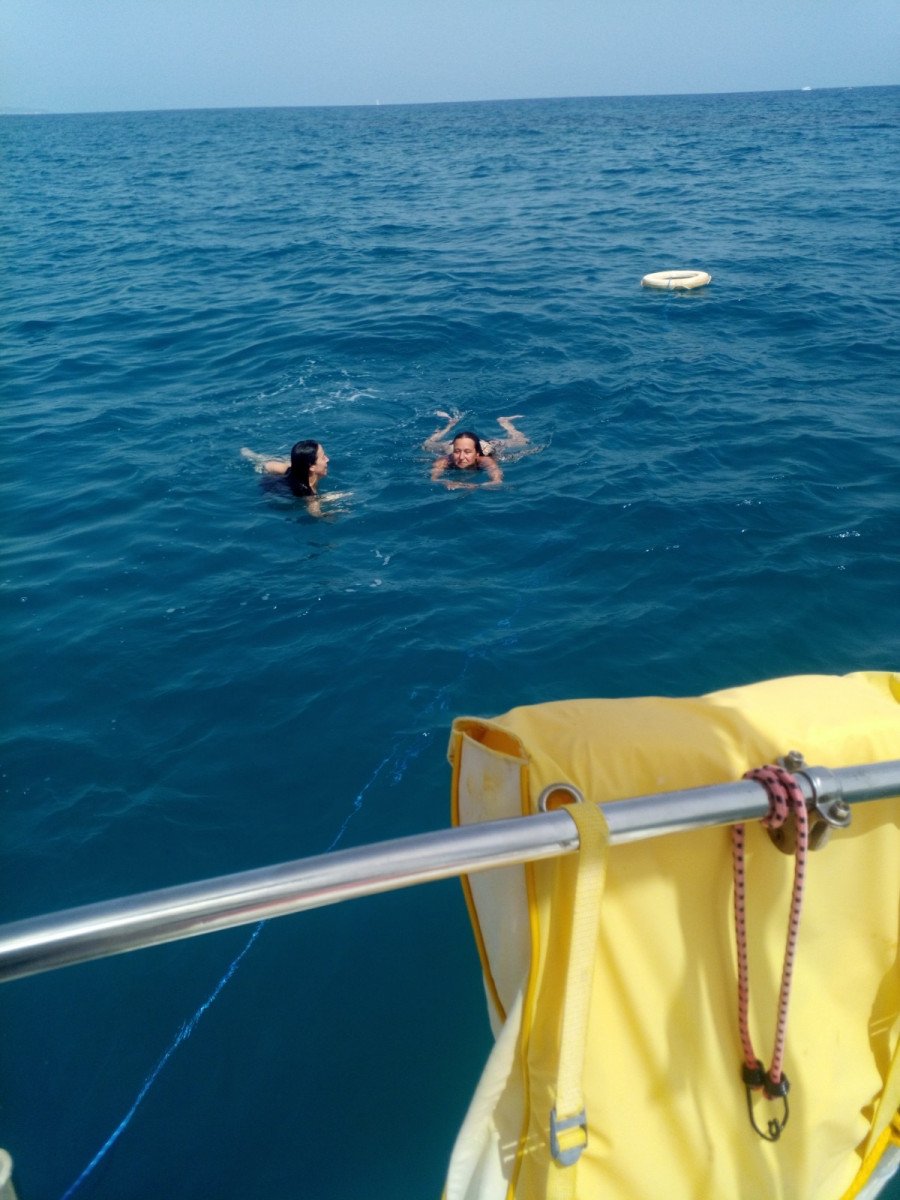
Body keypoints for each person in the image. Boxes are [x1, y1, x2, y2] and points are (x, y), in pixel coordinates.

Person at [425, 412, 529, 487]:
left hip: (485, 446)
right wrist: (446, 482)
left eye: (467, 453)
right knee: (427, 445)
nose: (461, 457)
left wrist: (479, 485)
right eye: (457, 452)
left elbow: (497, 480)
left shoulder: (485, 460)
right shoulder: (444, 460)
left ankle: (504, 422)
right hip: (451, 446)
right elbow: (434, 479)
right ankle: (450, 424)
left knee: (522, 442)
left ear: (477, 454)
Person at [241, 440, 331, 514]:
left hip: (282, 477)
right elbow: (314, 512)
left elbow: (268, 465)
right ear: (312, 467)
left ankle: (252, 456)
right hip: (272, 489)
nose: (327, 459)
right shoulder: (308, 491)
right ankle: (253, 456)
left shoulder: (291, 469)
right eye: (323, 457)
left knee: (284, 463)